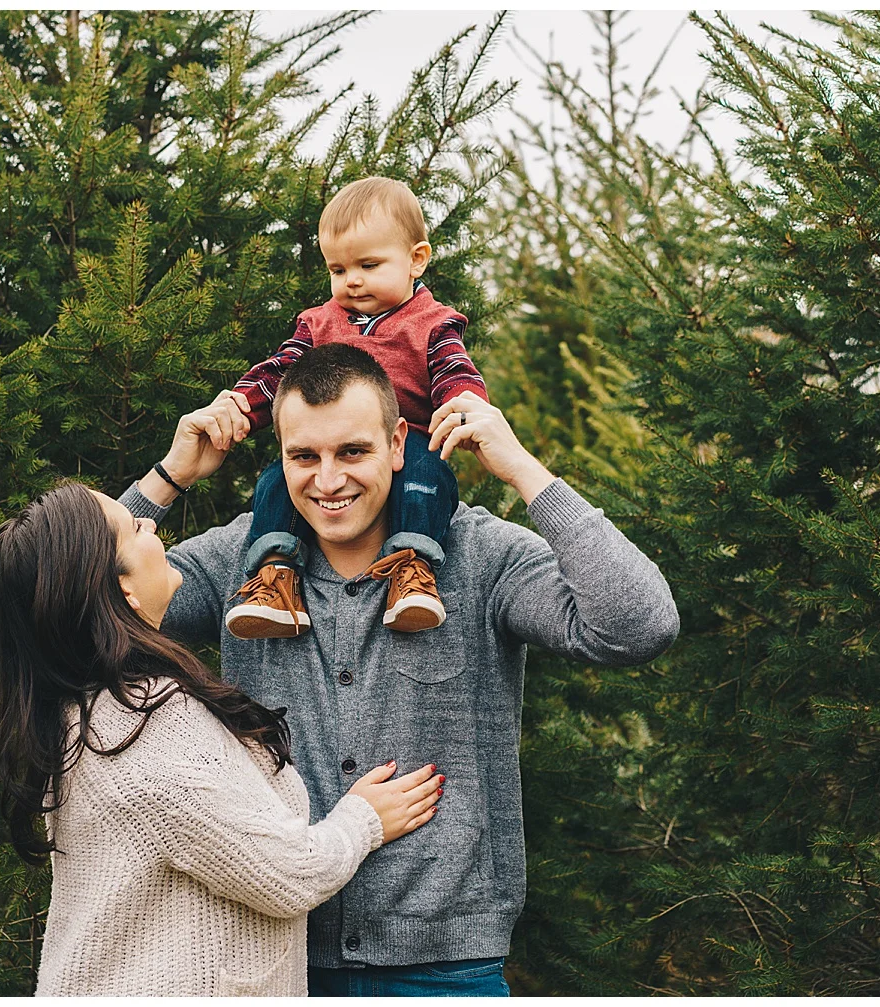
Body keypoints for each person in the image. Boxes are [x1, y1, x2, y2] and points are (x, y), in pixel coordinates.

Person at [122, 343, 681, 996]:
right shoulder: (241, 563)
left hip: (448, 970)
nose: (328, 480)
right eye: (305, 456)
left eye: (352, 451)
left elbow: (639, 623)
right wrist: (169, 474)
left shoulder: (482, 556)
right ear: (281, 456)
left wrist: (522, 469)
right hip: (273, 963)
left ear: (396, 443)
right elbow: (80, 609)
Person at [0, 480, 445, 996]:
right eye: (136, 528)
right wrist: (364, 820)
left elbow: (75, 556)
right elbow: (291, 873)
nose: (150, 524)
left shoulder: (85, 711)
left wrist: (171, 474)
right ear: (122, 591)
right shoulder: (150, 731)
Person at [218, 175, 489, 639]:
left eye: (369, 264)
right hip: (325, 438)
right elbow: (281, 371)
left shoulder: (430, 323)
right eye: (338, 270)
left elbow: (454, 371)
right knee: (276, 482)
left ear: (416, 260)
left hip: (412, 440)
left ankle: (411, 571)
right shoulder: (319, 322)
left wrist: (465, 408)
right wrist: (241, 404)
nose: (353, 280)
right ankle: (275, 576)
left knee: (426, 478)